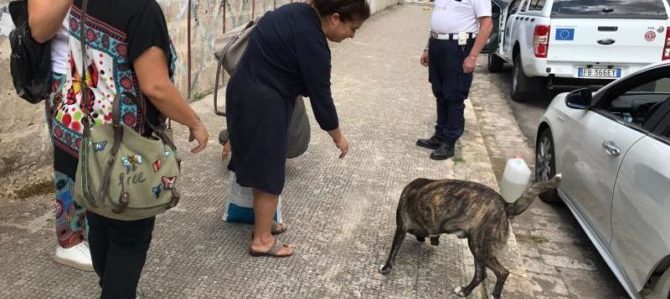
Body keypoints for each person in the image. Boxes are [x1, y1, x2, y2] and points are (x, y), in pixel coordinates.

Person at [50, 0, 208, 297]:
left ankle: (110, 286)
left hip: (80, 134)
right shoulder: (142, 10)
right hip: (122, 149)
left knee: (99, 218)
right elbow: (155, 86)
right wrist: (195, 122)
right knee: (128, 240)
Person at [226, 0, 370, 257]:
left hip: (243, 92)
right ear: (335, 18)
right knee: (268, 173)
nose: (352, 35)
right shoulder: (313, 42)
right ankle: (262, 240)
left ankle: (264, 223)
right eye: (353, 28)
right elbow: (321, 98)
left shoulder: (294, 11)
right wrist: (338, 136)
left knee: (261, 165)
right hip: (263, 103)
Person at [28, 0, 93, 271]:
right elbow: (40, 29)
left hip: (105, 67)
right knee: (70, 162)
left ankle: (97, 230)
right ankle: (69, 239)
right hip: (68, 73)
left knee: (103, 157)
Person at [416, 0, 493, 160]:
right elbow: (437, 22)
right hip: (437, 45)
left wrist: (472, 57)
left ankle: (449, 141)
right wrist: (427, 48)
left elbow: (487, 25)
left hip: (458, 47)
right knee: (440, 92)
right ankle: (439, 136)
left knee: (454, 94)